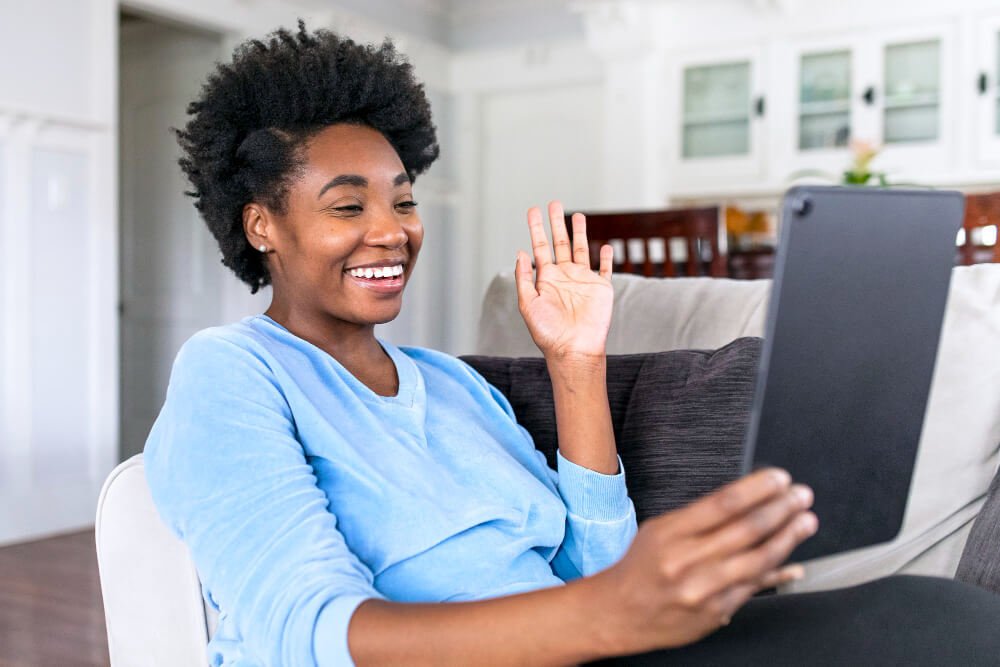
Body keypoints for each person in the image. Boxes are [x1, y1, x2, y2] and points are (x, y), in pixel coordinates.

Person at [144, 23, 1000, 667]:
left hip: (600, 648)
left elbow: (599, 564)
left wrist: (577, 363)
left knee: (935, 617)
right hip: (582, 645)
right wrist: (607, 616)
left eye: (403, 202)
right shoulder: (234, 372)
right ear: (262, 224)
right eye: (346, 206)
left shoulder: (449, 384)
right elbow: (310, 630)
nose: (391, 232)